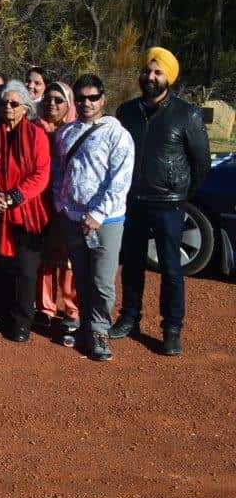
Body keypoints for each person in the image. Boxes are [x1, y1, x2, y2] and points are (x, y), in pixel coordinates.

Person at [111, 47, 210, 356]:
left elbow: (201, 163)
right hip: (133, 200)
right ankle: (129, 317)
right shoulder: (126, 112)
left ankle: (171, 328)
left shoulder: (187, 114)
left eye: (157, 72)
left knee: (171, 268)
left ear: (169, 77)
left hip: (169, 203)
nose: (150, 77)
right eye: (147, 71)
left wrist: (179, 192)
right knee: (132, 264)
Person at [53, 74, 135, 362]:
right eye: (81, 98)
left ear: (103, 99)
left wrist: (98, 214)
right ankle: (87, 326)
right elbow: (59, 172)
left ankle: (100, 330)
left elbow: (120, 179)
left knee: (102, 281)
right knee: (83, 278)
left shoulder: (117, 134)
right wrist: (60, 203)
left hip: (106, 221)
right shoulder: (66, 133)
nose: (87, 103)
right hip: (72, 216)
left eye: (92, 97)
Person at [0, 80, 52, 342]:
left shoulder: (37, 136)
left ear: (26, 107)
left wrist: (15, 196)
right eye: (4, 102)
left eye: (14, 103)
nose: (8, 107)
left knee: (25, 270)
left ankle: (21, 320)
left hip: (27, 211)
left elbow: (42, 172)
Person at [35, 80, 79, 340]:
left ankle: (71, 309)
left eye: (58, 100)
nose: (52, 104)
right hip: (40, 201)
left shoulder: (75, 131)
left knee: (69, 259)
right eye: (48, 99)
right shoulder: (35, 128)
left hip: (69, 203)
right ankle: (45, 307)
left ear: (69, 105)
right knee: (45, 256)